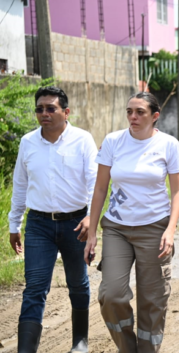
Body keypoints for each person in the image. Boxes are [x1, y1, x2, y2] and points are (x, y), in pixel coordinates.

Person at [84, 92, 179, 352]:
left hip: (155, 228)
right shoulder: (113, 141)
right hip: (117, 228)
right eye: (129, 111)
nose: (133, 116)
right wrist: (93, 230)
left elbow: (177, 192)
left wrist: (170, 230)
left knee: (153, 300)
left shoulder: (168, 144)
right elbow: (100, 189)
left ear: (154, 116)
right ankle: (127, 347)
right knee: (111, 295)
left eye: (140, 112)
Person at [8, 86, 97, 352]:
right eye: (39, 109)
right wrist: (15, 225)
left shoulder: (82, 140)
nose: (44, 113)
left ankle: (80, 341)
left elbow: (96, 183)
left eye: (51, 108)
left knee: (78, 283)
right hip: (39, 224)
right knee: (35, 287)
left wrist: (92, 217)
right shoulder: (27, 142)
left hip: (76, 224)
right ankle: (26, 349)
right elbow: (20, 185)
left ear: (66, 112)